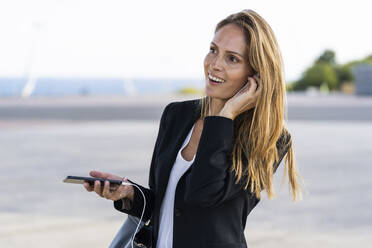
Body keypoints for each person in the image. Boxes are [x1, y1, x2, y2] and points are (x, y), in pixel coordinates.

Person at [84, 9, 302, 248]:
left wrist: (225, 115)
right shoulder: (177, 115)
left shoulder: (269, 138)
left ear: (255, 75)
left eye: (232, 59)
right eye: (213, 50)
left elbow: (204, 194)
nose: (215, 64)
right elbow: (166, 205)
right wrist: (130, 193)